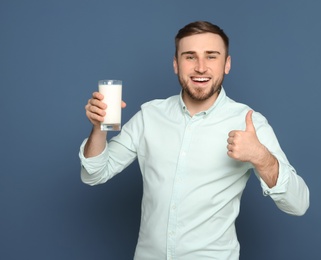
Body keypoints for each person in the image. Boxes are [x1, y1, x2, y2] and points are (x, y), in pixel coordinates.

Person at [79, 21, 309, 260]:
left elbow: (298, 203)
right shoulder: (149, 116)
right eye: (190, 57)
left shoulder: (249, 122)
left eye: (211, 57)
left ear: (226, 64)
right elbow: (94, 174)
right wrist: (98, 128)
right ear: (176, 65)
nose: (201, 68)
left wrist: (261, 157)